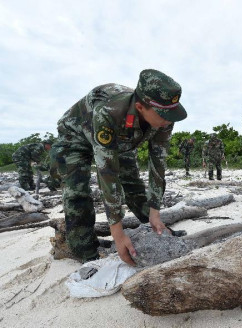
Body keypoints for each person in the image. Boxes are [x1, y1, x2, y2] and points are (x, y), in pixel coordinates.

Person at [51, 69, 187, 265]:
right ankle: (86, 251)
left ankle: (152, 227)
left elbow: (158, 164)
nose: (170, 119)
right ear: (140, 107)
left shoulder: (164, 117)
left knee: (132, 181)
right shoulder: (108, 113)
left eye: (172, 113)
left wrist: (155, 213)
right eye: (165, 115)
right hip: (75, 136)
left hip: (122, 139)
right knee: (76, 193)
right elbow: (107, 173)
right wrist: (117, 232)